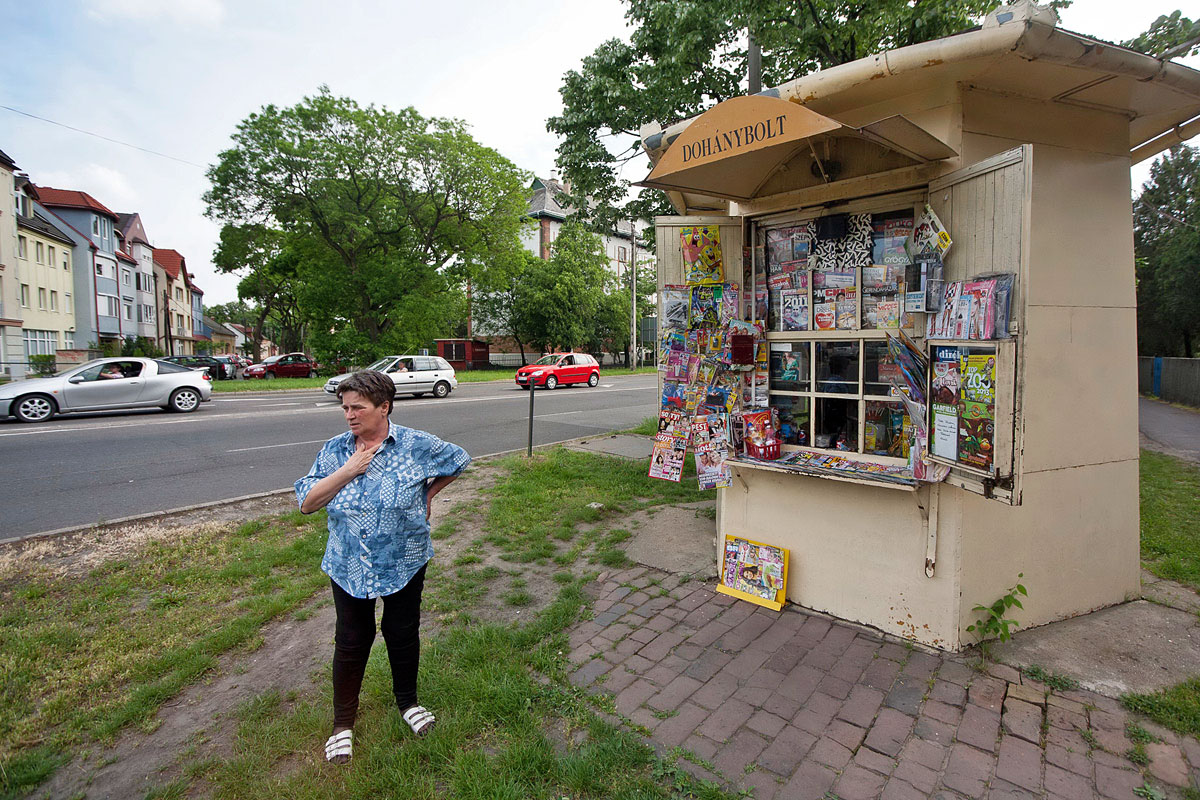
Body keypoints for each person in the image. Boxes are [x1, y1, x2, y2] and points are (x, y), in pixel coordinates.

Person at [295, 370, 470, 766]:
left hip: (404, 558)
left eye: (358, 408)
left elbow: (459, 459)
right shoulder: (336, 451)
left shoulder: (416, 444)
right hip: (348, 562)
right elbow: (307, 502)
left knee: (402, 630)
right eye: (345, 408)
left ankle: (408, 703)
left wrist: (428, 493)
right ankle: (343, 725)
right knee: (352, 638)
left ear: (384, 407)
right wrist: (350, 470)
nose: (350, 416)